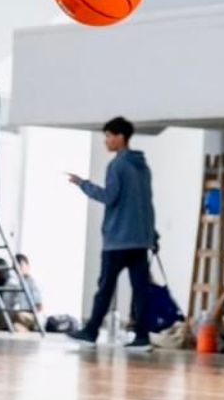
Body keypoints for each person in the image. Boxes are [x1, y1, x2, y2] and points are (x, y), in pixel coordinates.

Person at [67, 117, 158, 352]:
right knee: (140, 290)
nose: (106, 141)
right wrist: (152, 235)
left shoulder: (117, 165)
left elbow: (109, 197)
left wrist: (83, 184)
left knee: (105, 288)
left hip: (118, 240)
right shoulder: (143, 167)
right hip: (140, 240)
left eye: (108, 136)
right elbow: (147, 203)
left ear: (120, 137)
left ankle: (91, 331)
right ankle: (142, 337)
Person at [0, 255, 42, 332]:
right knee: (15, 327)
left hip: (30, 315)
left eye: (21, 265)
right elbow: (7, 303)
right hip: (17, 316)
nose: (18, 268)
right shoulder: (14, 282)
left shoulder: (33, 282)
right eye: (15, 266)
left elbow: (39, 307)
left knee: (17, 315)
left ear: (27, 266)